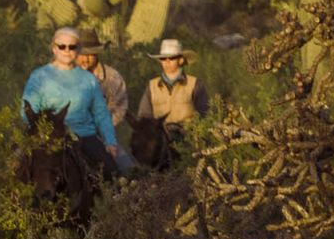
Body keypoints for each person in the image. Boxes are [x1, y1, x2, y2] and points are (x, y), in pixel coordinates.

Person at [18, 25, 132, 175]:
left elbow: (101, 113)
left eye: (71, 47)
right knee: (17, 166)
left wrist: (109, 140)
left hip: (85, 135)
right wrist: (43, 131)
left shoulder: (90, 79)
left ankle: (121, 194)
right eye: (62, 47)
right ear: (54, 49)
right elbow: (27, 111)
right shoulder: (39, 76)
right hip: (48, 136)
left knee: (115, 171)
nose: (67, 51)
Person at [131, 35, 206, 172]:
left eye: (171, 58)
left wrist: (191, 130)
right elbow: (144, 117)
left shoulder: (195, 84)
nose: (167, 62)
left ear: (181, 60)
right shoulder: (151, 86)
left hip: (188, 137)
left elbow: (204, 114)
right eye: (163, 58)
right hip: (160, 136)